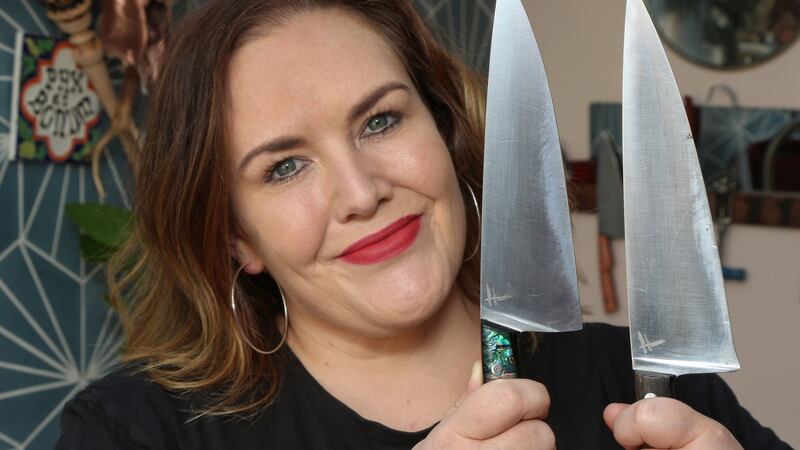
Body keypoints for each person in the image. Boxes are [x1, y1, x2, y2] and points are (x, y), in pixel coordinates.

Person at [55, 0, 790, 449]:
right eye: (284, 166)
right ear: (235, 237)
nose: (361, 191)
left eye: (380, 121)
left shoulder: (646, 385)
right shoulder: (135, 433)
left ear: (445, 133)